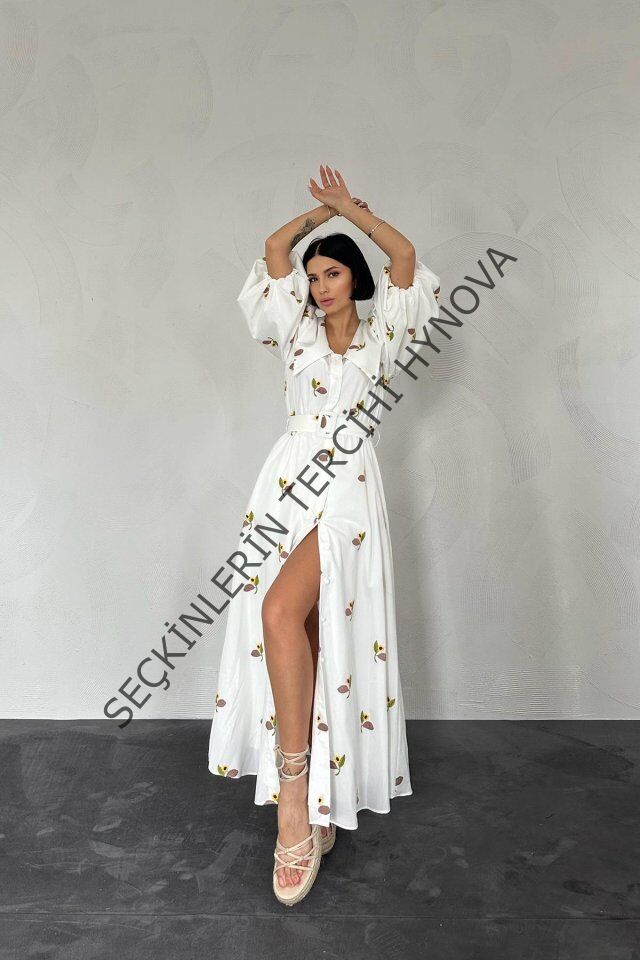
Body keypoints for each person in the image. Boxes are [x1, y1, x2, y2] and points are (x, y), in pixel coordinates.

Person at [208, 165, 441, 906]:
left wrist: (350, 211)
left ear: (354, 278)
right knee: (299, 629)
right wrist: (315, 222)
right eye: (313, 277)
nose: (319, 285)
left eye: (332, 272)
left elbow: (405, 257)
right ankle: (315, 802)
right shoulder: (294, 331)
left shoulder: (383, 336)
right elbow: (273, 249)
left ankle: (293, 802)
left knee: (280, 611)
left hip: (347, 488)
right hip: (286, 484)